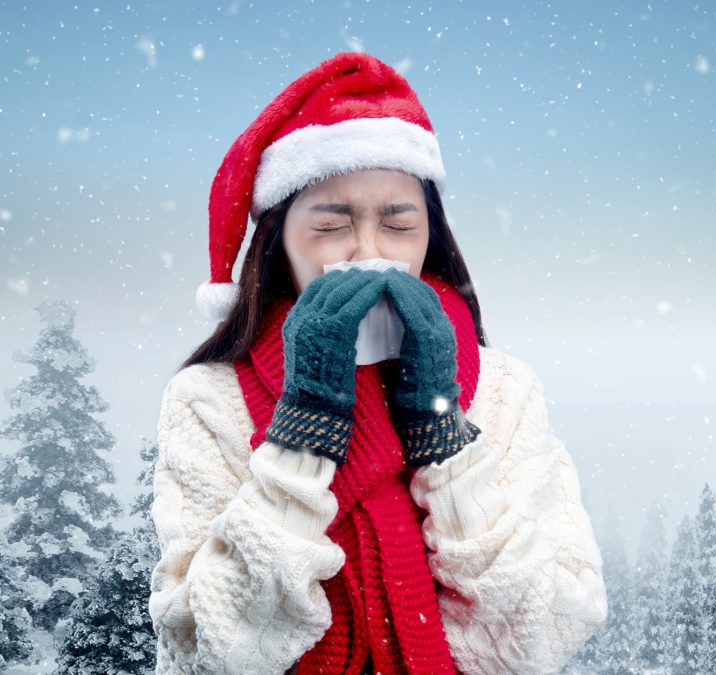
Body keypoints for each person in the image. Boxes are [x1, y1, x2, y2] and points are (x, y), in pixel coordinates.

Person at [148, 52, 608, 674]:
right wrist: (303, 431)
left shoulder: (504, 390)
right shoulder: (208, 398)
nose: (369, 252)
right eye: (332, 224)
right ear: (278, 245)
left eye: (398, 224)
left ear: (430, 238)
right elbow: (208, 648)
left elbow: (542, 637)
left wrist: (442, 434)